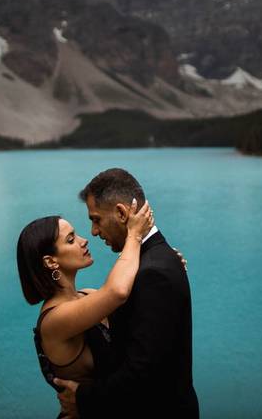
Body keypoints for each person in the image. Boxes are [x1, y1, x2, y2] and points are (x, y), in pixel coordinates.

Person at [55, 168, 199, 419]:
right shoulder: (150, 263)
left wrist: (82, 399)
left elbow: (143, 372)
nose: (93, 232)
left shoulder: (152, 272)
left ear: (121, 213)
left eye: (96, 219)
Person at [16, 198, 154, 405]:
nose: (84, 240)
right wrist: (134, 235)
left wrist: (161, 265)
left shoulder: (88, 295)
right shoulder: (55, 320)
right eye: (71, 240)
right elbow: (117, 291)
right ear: (51, 261)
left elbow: (137, 306)